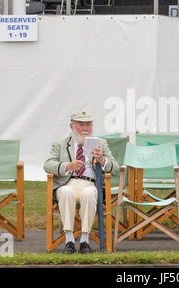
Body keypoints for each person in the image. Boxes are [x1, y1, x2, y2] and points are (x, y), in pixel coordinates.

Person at [44, 109, 119, 254]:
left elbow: (115, 168)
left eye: (88, 125)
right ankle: (69, 240)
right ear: (72, 126)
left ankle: (85, 240)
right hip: (67, 183)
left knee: (89, 193)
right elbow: (47, 164)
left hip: (90, 183)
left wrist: (103, 160)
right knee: (66, 193)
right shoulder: (60, 144)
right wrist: (67, 166)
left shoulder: (100, 144)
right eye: (81, 125)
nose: (85, 129)